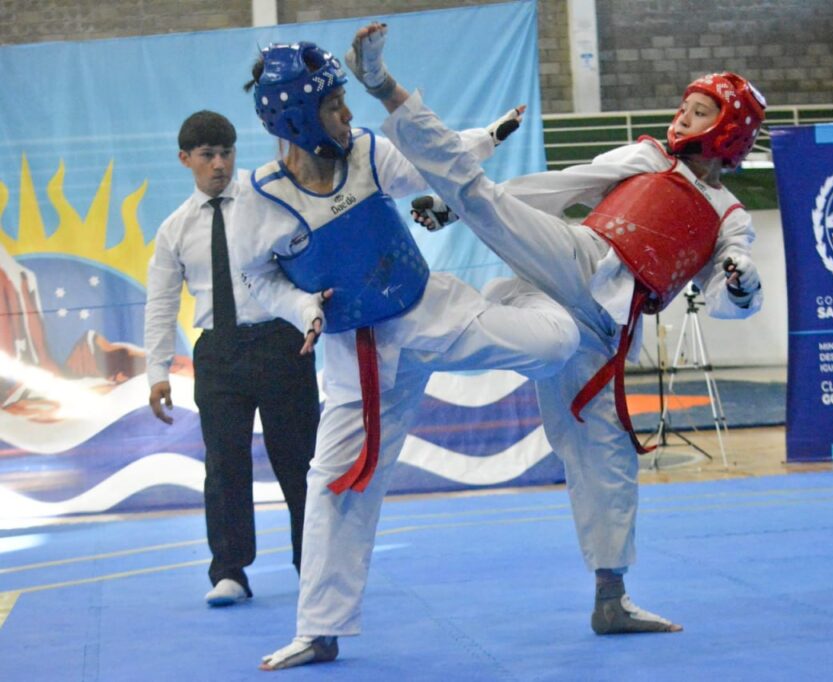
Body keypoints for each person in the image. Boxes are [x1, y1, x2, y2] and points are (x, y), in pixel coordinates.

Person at [349, 23, 766, 636]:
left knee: (605, 454)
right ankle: (384, 87)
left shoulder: (730, 215)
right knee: (486, 201)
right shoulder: (649, 157)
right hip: (576, 259)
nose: (683, 116)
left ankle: (611, 597)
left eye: (700, 111)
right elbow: (563, 184)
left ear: (729, 131)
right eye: (686, 105)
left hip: (602, 330)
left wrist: (741, 281)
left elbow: (732, 288)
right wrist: (454, 207)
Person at [229, 42, 580, 670]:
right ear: (298, 119)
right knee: (333, 485)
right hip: (362, 357)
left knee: (558, 343)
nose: (345, 115)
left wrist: (488, 136)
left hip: (431, 312)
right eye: (332, 106)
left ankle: (521, 291)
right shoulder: (258, 200)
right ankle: (319, 629)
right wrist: (304, 308)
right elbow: (259, 278)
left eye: (343, 101)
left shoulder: (366, 151)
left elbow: (431, 165)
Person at [143, 111, 321, 607]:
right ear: (186, 160)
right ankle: (230, 572)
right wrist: (157, 371)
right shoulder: (175, 229)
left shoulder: (268, 201)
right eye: (207, 156)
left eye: (226, 153)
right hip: (218, 353)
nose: (219, 164)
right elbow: (161, 302)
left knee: (301, 461)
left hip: (282, 343)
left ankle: (314, 566)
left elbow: (307, 255)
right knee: (223, 466)